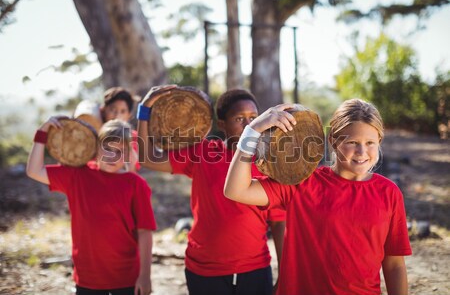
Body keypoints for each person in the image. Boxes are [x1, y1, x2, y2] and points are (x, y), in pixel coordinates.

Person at [224, 99, 412, 295]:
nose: (361, 152)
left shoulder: (389, 193)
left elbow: (394, 264)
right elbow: (236, 190)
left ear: (379, 141)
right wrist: (252, 131)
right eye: (352, 142)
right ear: (332, 140)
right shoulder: (303, 183)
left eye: (370, 143)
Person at [137, 85, 286, 295]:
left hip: (254, 270)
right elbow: (147, 157)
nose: (249, 124)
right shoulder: (203, 153)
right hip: (204, 271)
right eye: (239, 119)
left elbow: (279, 223)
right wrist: (144, 109)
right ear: (222, 124)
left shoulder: (268, 164)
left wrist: (284, 274)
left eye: (253, 117)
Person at [27, 118, 156, 295]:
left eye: (121, 151)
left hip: (127, 278)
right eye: (108, 148)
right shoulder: (77, 176)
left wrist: (145, 276)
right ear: (96, 147)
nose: (113, 156)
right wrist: (42, 132)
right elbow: (34, 170)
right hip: (88, 278)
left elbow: (145, 232)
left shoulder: (135, 184)